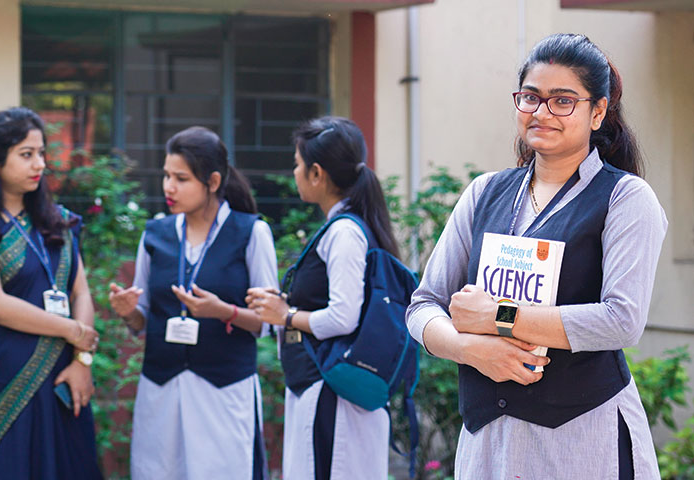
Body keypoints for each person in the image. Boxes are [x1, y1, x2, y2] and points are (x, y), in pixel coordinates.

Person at [407, 33, 667, 479]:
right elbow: (423, 304)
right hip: (488, 438)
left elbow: (622, 319)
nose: (542, 112)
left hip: (580, 437)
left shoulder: (625, 198)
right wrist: (471, 349)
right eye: (531, 97)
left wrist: (499, 317)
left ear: (598, 111)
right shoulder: (485, 192)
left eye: (562, 100)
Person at [108, 126, 278, 480]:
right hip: (162, 387)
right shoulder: (154, 233)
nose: (168, 187)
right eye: (167, 176)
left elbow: (269, 322)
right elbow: (141, 318)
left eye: (181, 178)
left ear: (213, 181)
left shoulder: (251, 232)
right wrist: (130, 313)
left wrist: (224, 311)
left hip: (224, 389)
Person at [0, 107, 102, 479]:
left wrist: (82, 362)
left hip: (63, 376)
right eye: (26, 154)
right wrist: (72, 332)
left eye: (42, 153)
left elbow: (81, 294)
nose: (39, 164)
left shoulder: (58, 221)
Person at [246, 116, 400, 480]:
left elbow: (342, 318)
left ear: (316, 173)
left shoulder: (344, 232)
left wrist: (285, 314)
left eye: (298, 165)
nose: (294, 172)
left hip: (330, 391)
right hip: (328, 387)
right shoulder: (349, 226)